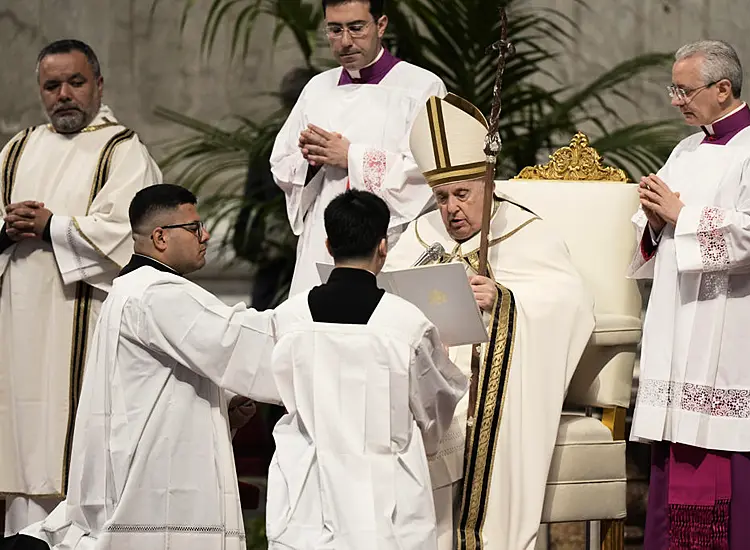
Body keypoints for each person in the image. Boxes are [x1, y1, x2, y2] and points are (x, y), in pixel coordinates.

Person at [13, 184, 281, 549]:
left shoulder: (130, 289)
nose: (206, 235)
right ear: (160, 236)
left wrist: (225, 402)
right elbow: (238, 342)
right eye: (194, 227)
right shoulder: (157, 293)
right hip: (154, 494)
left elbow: (160, 388)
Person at [384, 94, 596, 549]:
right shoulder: (420, 236)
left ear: (488, 181)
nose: (451, 209)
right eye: (441, 197)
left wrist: (506, 301)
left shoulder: (526, 231)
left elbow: (571, 303)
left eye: (462, 193)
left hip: (498, 397)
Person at [629, 40, 750, 549]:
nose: (675, 101)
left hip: (739, 340)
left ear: (723, 88)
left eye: (683, 91)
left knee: (737, 475)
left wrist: (680, 215)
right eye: (674, 89)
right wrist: (650, 218)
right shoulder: (685, 150)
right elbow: (655, 227)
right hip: (684, 330)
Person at [0, 39, 161, 535]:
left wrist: (52, 226)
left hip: (82, 315)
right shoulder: (16, 149)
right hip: (18, 320)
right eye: (52, 85)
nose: (64, 95)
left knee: (77, 454)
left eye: (75, 82)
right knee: (23, 457)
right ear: (40, 90)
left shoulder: (122, 149)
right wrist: (7, 228)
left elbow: (130, 235)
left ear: (98, 85)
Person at [265, 189, 467, 549]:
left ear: (328, 245)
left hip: (309, 490)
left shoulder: (287, 318)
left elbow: (275, 393)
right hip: (387, 498)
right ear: (383, 246)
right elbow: (435, 408)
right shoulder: (406, 324)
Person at [269, 0, 446, 297]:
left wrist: (351, 156)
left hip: (386, 243)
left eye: (356, 27)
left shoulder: (422, 87)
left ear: (381, 24)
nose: (346, 41)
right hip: (322, 244)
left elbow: (427, 174)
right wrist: (312, 162)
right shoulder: (316, 89)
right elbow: (280, 165)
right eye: (335, 30)